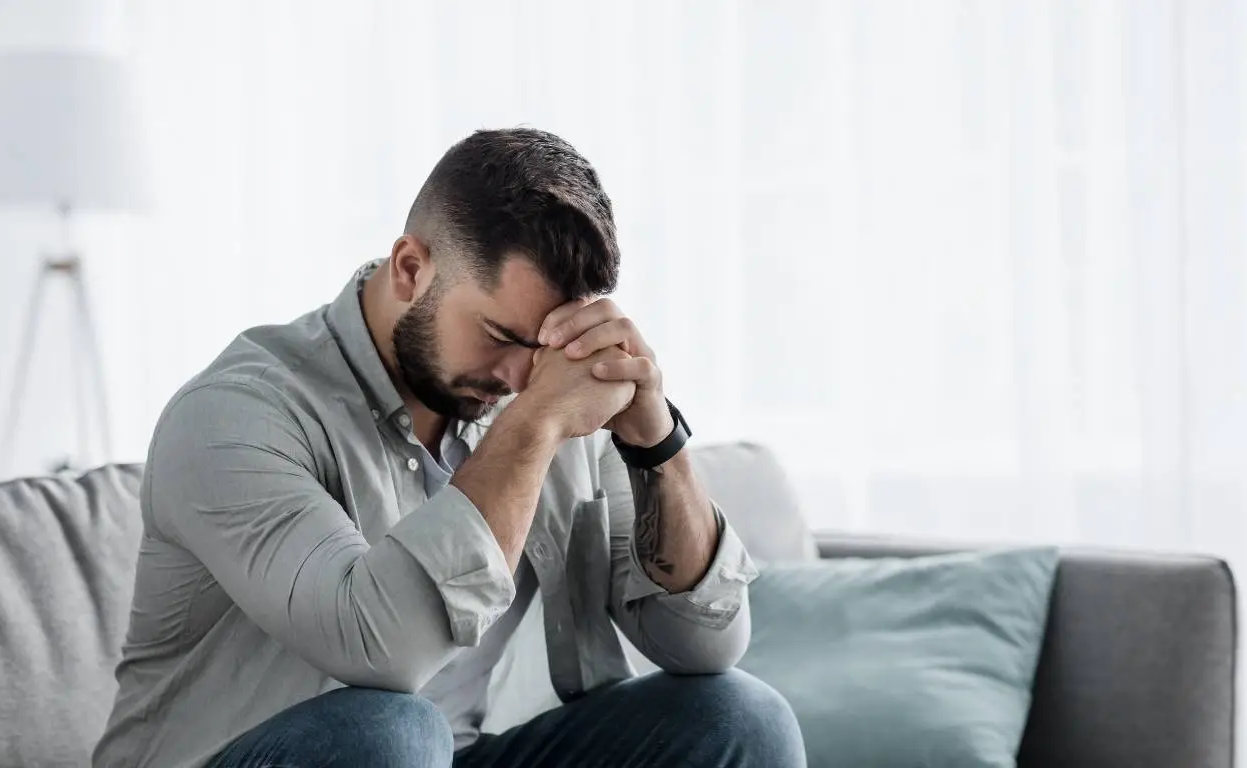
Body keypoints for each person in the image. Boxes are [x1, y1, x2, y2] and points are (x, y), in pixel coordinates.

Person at [93, 127, 805, 768]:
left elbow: (704, 644)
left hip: (446, 754)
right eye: (500, 337)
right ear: (410, 268)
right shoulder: (236, 414)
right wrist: (532, 426)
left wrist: (655, 438)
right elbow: (380, 650)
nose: (522, 377)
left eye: (548, 349)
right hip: (283, 755)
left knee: (738, 717)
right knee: (390, 733)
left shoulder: (540, 391)